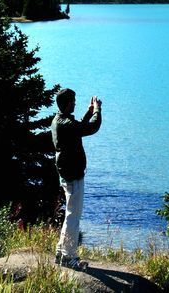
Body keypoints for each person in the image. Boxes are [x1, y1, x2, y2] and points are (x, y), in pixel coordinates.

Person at [52, 87, 102, 269]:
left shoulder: (60, 120)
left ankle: (61, 251)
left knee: (70, 214)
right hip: (73, 175)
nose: (75, 103)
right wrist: (97, 110)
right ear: (66, 103)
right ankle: (69, 257)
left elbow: (79, 127)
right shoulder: (65, 124)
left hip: (67, 173)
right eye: (73, 101)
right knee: (74, 216)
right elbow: (90, 128)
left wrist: (88, 113)